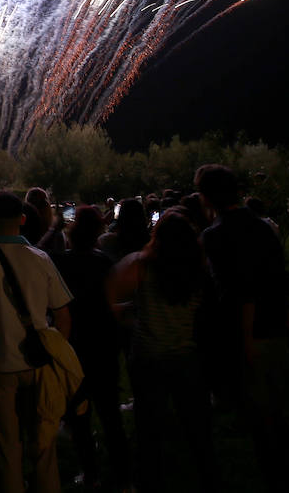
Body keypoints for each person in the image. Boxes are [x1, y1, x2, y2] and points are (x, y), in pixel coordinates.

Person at [0, 191, 73, 493]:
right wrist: (56, 350)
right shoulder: (41, 258)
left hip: (0, 362)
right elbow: (62, 313)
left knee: (8, 444)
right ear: (23, 220)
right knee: (43, 440)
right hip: (39, 363)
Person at [198, 164, 289, 493]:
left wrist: (245, 340)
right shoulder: (263, 227)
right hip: (275, 328)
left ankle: (276, 476)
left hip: (249, 334)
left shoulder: (215, 235)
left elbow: (241, 292)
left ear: (206, 196)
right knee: (276, 405)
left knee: (259, 415)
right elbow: (280, 278)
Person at [109, 211, 218, 493]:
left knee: (149, 428)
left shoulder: (142, 266)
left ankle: (149, 480)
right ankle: (207, 476)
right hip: (186, 355)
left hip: (148, 356)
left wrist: (129, 314)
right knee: (197, 426)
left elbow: (111, 294)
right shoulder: (199, 267)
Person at [53, 205, 129, 492]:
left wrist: (52, 229)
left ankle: (91, 474)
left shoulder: (62, 263)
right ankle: (123, 477)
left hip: (76, 346)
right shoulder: (105, 263)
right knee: (111, 415)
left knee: (79, 416)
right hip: (104, 345)